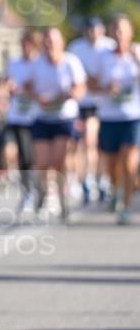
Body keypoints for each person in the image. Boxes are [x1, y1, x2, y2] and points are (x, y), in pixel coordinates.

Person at [25, 27, 86, 222]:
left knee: (59, 160)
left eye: (52, 40)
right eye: (46, 40)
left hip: (64, 118)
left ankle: (62, 200)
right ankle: (43, 194)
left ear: (61, 43)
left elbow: (80, 87)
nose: (49, 44)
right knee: (42, 162)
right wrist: (38, 97)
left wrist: (69, 94)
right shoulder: (36, 63)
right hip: (42, 117)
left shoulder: (70, 62)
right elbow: (27, 86)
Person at [89, 14, 140, 225]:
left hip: (132, 117)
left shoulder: (137, 53)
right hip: (109, 117)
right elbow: (90, 84)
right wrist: (105, 88)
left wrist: (136, 60)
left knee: (129, 164)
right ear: (111, 33)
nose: (119, 35)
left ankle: (125, 207)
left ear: (130, 33)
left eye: (122, 30)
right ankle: (115, 189)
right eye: (115, 30)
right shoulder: (102, 56)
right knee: (111, 166)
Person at [67, 17, 116, 203]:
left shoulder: (109, 46)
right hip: (82, 104)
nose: (93, 34)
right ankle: (85, 180)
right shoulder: (76, 48)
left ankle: (101, 177)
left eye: (96, 30)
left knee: (99, 145)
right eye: (89, 30)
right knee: (83, 144)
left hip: (104, 104)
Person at [3, 29, 41, 213]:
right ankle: (27, 192)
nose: (25, 48)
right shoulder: (14, 63)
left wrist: (29, 88)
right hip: (18, 117)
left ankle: (42, 191)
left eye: (29, 44)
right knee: (24, 157)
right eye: (23, 44)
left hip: (37, 116)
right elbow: (7, 84)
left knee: (38, 158)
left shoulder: (40, 64)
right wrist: (8, 88)